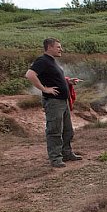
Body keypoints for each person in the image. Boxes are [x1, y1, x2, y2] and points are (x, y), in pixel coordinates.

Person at [25, 38, 82, 167]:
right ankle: (55, 158)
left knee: (68, 130)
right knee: (54, 130)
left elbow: (54, 79)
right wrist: (44, 89)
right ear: (49, 47)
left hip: (62, 101)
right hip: (53, 102)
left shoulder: (52, 62)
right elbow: (29, 74)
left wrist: (68, 82)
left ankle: (66, 153)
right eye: (58, 47)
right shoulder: (42, 61)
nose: (61, 49)